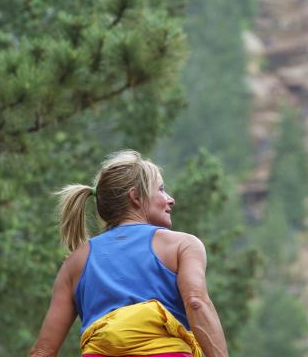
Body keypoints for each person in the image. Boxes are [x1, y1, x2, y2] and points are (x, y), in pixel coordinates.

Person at [28, 150, 229, 357]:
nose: (171, 200)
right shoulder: (182, 245)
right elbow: (196, 303)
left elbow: (43, 350)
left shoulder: (75, 262)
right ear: (135, 197)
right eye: (161, 190)